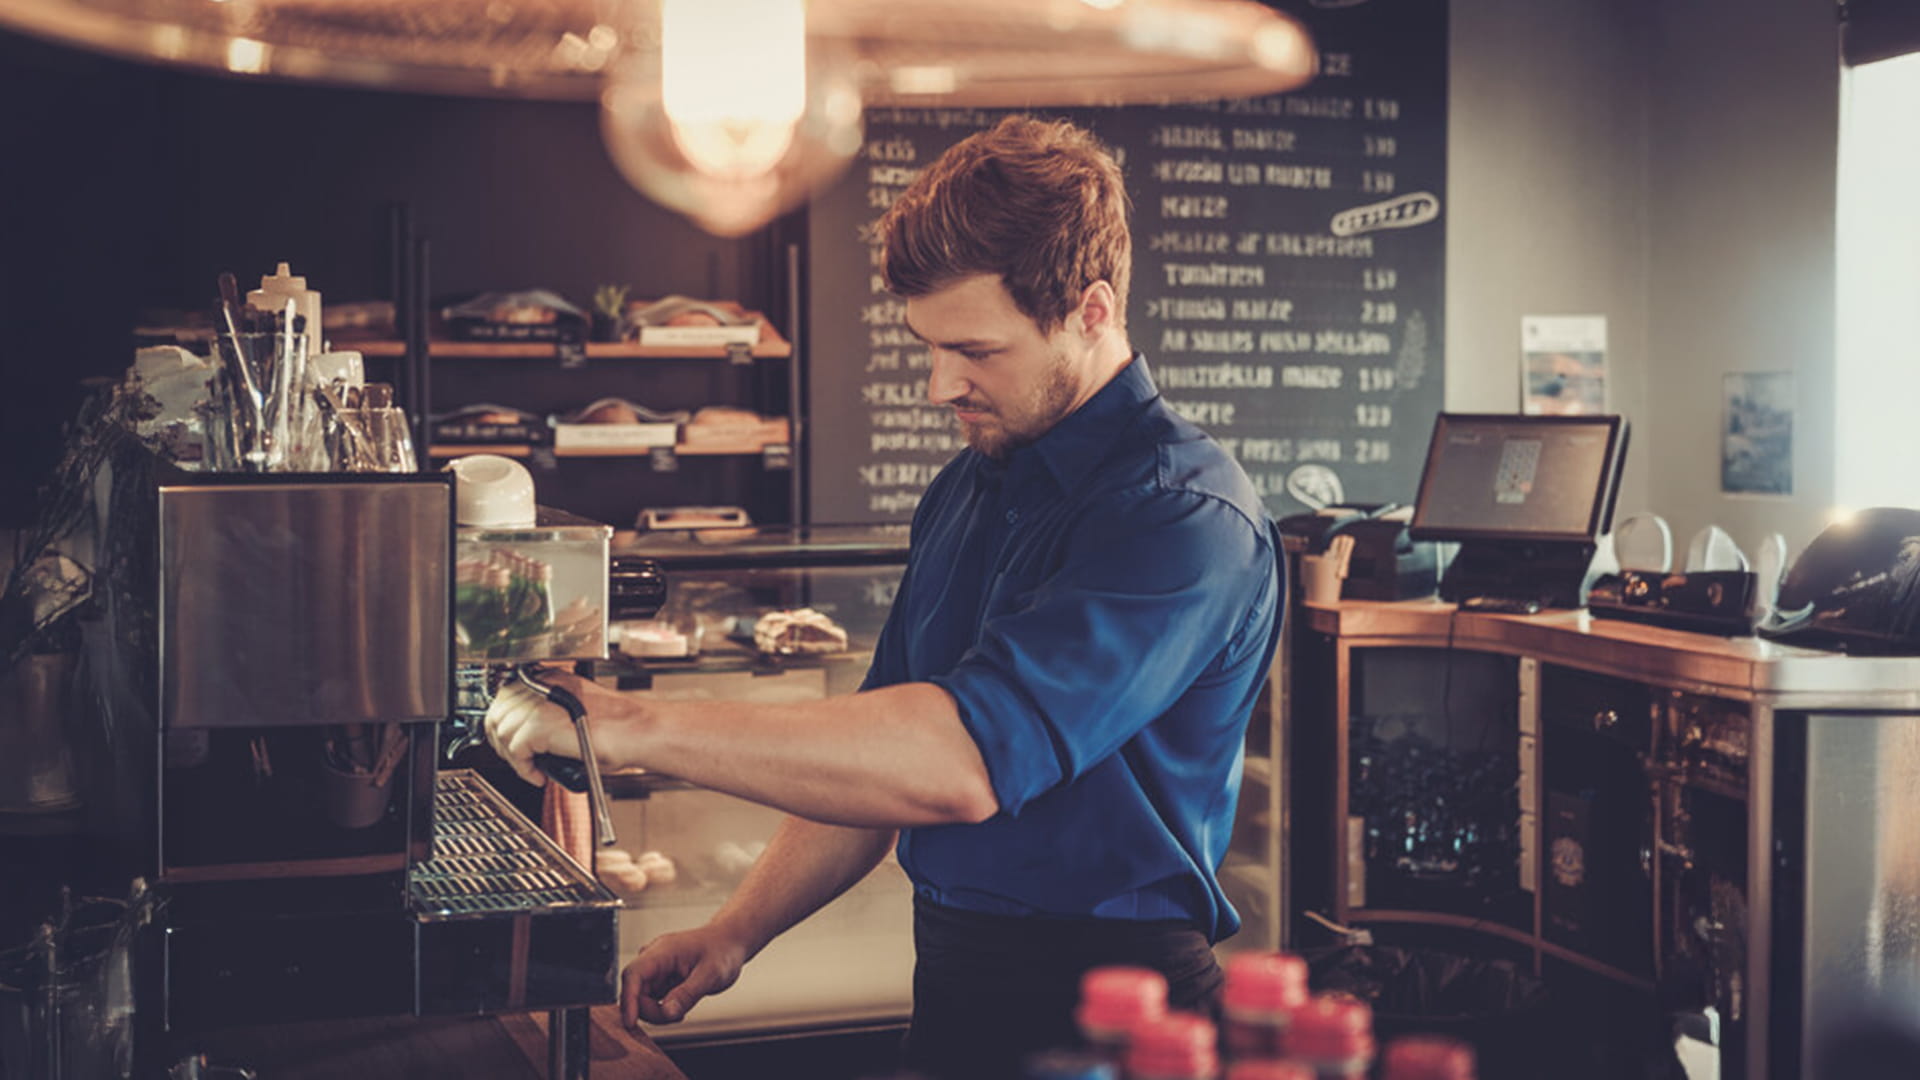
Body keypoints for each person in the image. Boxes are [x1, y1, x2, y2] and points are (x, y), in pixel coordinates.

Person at [485, 114, 1283, 1079]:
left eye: (977, 351)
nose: (942, 384)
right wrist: (738, 930)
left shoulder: (1180, 517)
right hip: (952, 980)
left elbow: (958, 762)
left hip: (1119, 1006)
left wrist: (624, 726)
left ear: (1092, 310)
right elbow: (879, 762)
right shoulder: (969, 483)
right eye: (929, 347)